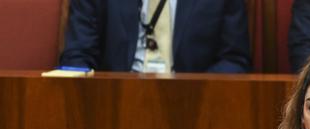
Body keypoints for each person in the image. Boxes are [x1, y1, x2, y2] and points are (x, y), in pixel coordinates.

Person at [60, 0, 251, 73]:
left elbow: (234, 60)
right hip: (112, 108)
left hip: (194, 110)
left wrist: (197, 92)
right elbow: (78, 56)